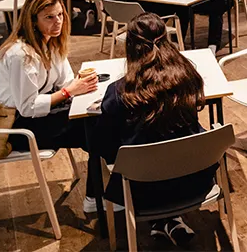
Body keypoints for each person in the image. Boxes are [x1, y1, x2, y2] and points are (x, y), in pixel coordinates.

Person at [90, 13, 214, 245]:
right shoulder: (189, 78)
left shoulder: (119, 93)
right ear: (167, 42)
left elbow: (100, 145)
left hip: (142, 190)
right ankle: (168, 221)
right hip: (194, 180)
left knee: (129, 153)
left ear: (130, 47)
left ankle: (163, 221)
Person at [0, 0, 109, 214]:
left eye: (60, 15)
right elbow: (27, 108)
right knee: (96, 129)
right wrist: (68, 92)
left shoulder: (51, 43)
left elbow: (66, 81)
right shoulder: (21, 55)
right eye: (49, 17)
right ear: (33, 21)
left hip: (44, 114)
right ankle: (97, 197)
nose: (58, 22)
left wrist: (78, 86)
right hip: (18, 128)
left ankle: (107, 188)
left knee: (101, 120)